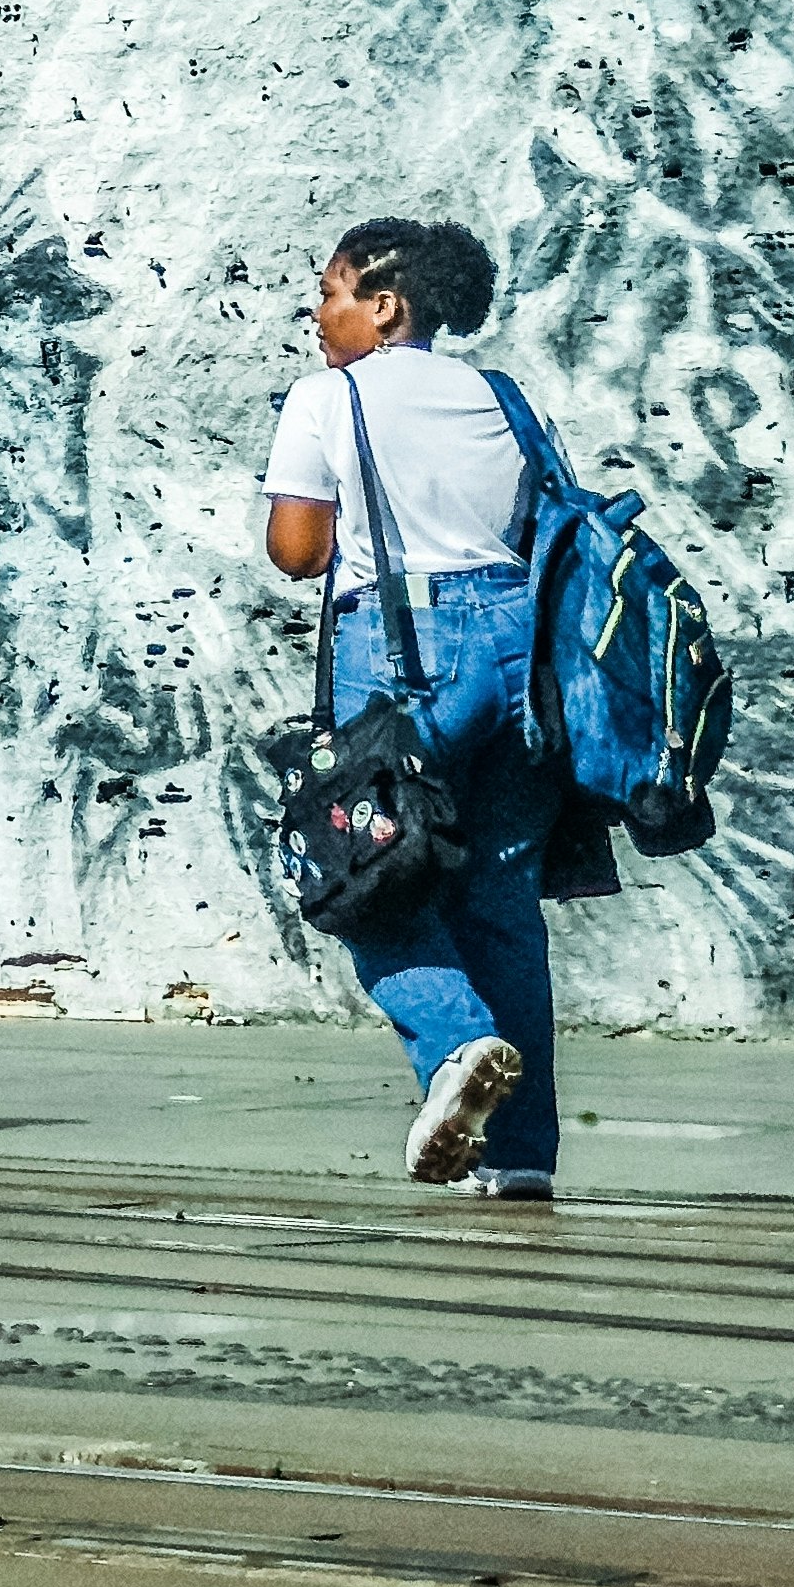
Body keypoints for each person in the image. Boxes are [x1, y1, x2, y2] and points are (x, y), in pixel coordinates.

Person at [263, 213, 562, 1193]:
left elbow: (299, 552)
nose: (318, 314)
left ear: (384, 306)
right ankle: (518, 1162)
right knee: (500, 901)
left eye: (331, 292)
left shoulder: (328, 399)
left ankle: (454, 1046)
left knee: (369, 875)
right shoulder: (508, 400)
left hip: (401, 653)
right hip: (522, 660)